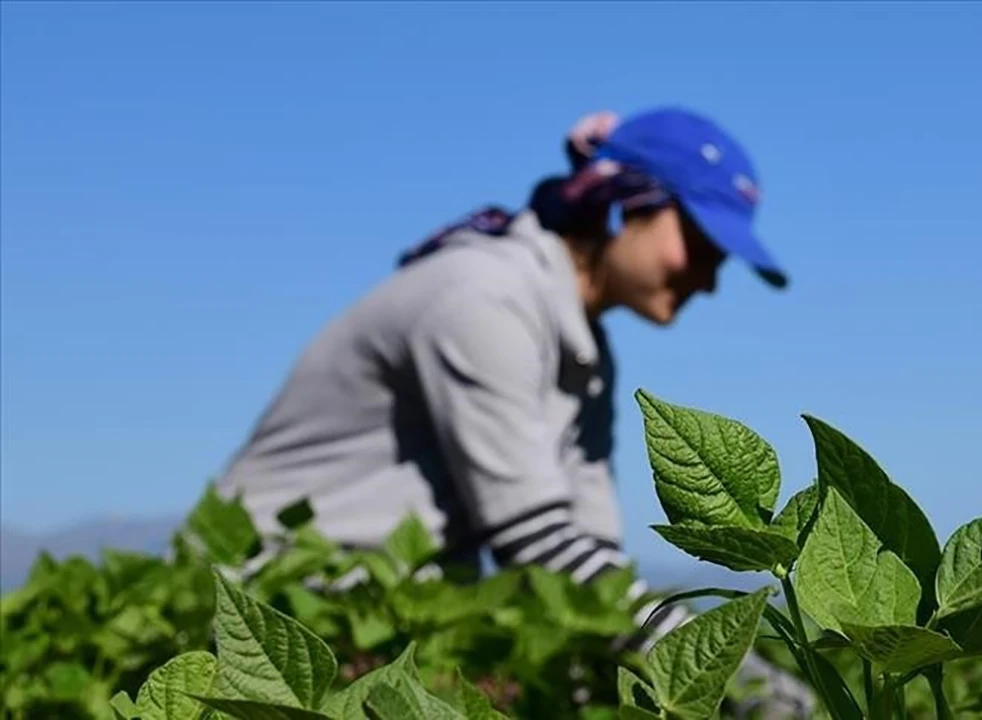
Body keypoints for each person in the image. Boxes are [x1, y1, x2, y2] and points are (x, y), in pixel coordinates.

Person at [214, 106, 812, 716]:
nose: (709, 279)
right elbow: (535, 539)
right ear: (622, 204)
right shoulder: (482, 296)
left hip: (379, 616)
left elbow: (588, 562)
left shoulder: (583, 350)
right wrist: (743, 687)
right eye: (701, 244)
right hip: (272, 601)